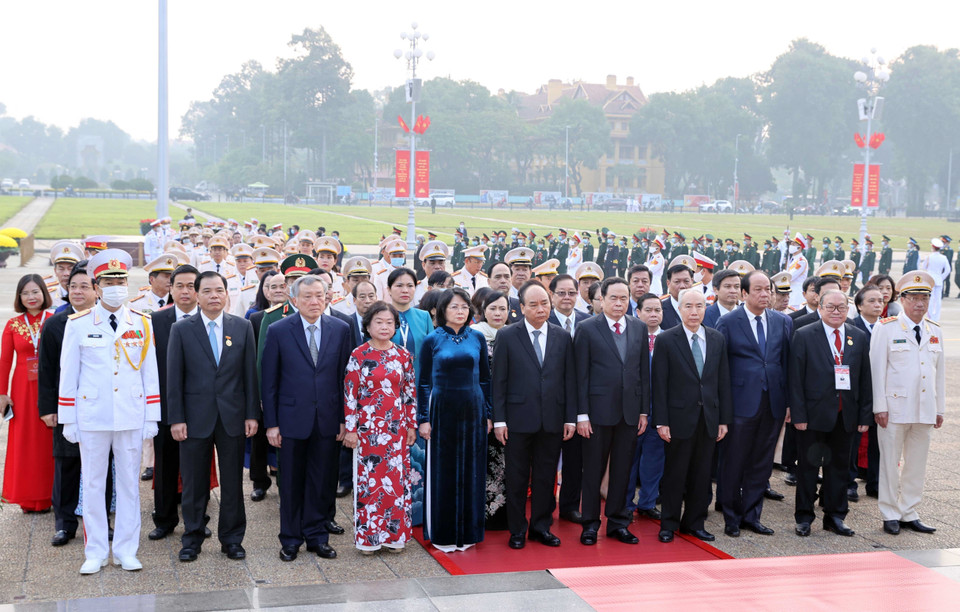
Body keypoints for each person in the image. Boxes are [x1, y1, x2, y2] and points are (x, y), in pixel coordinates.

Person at [58, 249, 160, 574]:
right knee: (92, 484)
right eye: (109, 281)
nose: (116, 286)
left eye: (121, 280)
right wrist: (68, 419)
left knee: (130, 484)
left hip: (130, 414)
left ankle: (127, 550)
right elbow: (68, 373)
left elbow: (150, 373)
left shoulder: (142, 323)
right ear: (97, 286)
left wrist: (153, 417)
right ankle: (96, 551)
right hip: (92, 416)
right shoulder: (78, 324)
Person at [167, 271, 259, 562]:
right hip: (194, 419)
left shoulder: (242, 327)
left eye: (219, 290)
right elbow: (174, 377)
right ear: (196, 295)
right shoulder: (182, 329)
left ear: (226, 294)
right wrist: (176, 418)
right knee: (194, 483)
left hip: (232, 417)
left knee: (233, 482)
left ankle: (232, 539)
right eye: (207, 291)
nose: (214, 296)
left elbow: (249, 376)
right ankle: (192, 538)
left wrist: (251, 415)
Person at [261, 275, 352, 561]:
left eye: (319, 296)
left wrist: (343, 419)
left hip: (327, 419)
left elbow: (344, 378)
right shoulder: (278, 330)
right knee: (289, 483)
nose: (314, 301)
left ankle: (316, 536)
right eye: (307, 297)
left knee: (322, 481)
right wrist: (272, 423)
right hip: (290, 420)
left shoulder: (340, 328)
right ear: (294, 300)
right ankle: (290, 539)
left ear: (327, 297)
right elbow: (269, 381)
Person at [492, 282, 576, 549]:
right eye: (534, 305)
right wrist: (500, 420)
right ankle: (517, 530)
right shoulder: (507, 335)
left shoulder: (562, 336)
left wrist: (569, 418)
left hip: (552, 420)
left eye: (544, 304)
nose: (541, 309)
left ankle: (541, 527)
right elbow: (499, 381)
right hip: (517, 420)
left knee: (545, 477)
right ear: (521, 308)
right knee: (516, 478)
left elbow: (569, 381)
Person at [789, 289, 872, 537]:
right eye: (831, 307)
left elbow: (865, 379)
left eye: (841, 308)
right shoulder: (804, 335)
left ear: (848, 310)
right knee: (808, 468)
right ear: (821, 308)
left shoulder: (857, 336)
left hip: (845, 415)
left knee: (839, 469)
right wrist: (799, 415)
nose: (836, 312)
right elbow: (795, 379)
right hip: (813, 417)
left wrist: (864, 416)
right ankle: (804, 517)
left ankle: (835, 516)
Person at [715, 271, 792, 537]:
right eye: (758, 290)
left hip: (772, 403)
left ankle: (752, 515)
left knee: (761, 463)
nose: (764, 295)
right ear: (745, 293)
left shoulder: (782, 321)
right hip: (740, 404)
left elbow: (786, 364)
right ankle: (731, 517)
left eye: (768, 290)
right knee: (734, 462)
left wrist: (789, 403)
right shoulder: (728, 322)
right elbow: (720, 369)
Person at [575, 277, 650, 546]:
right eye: (613, 298)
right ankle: (590, 524)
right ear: (602, 300)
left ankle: (618, 522)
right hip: (596, 414)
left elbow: (643, 373)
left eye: (623, 298)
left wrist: (643, 411)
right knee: (593, 471)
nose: (619, 303)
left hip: (629, 414)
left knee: (622, 470)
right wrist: (581, 414)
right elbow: (579, 376)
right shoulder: (587, 328)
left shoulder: (639, 328)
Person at [653, 289, 732, 543]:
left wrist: (723, 420)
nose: (694, 311)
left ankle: (694, 523)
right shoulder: (667, 339)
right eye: (688, 306)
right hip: (678, 420)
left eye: (699, 306)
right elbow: (660, 384)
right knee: (675, 474)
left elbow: (723, 382)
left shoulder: (717, 339)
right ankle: (669, 524)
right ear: (679, 308)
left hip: (708, 419)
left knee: (702, 475)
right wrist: (661, 421)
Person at [38, 262, 108, 547]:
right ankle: (65, 524)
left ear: (96, 290)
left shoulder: (105, 320)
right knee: (67, 466)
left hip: (101, 406)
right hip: (67, 407)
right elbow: (46, 370)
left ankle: (101, 524)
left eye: (83, 286)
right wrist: (48, 408)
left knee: (102, 467)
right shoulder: (56, 324)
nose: (77, 291)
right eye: (72, 286)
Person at [417, 288, 492, 552]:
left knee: (472, 470)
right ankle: (444, 532)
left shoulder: (478, 338)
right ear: (440, 311)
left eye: (464, 307)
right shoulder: (432, 340)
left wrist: (488, 413)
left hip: (473, 410)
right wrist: (423, 418)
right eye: (454, 307)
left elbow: (485, 378)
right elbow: (423, 382)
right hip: (442, 410)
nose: (460, 312)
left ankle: (469, 532)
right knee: (443, 471)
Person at [871, 271, 944, 536]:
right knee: (890, 463)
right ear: (902, 300)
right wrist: (879, 406)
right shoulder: (886, 328)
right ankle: (890, 512)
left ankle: (909, 511)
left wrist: (939, 409)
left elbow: (939, 374)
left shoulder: (934, 330)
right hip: (894, 409)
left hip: (924, 409)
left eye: (924, 298)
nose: (919, 304)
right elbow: (877, 370)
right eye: (913, 298)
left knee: (916, 464)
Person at [343, 302, 418, 554]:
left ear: (396, 326)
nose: (384, 327)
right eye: (379, 322)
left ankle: (395, 536)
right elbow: (350, 394)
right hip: (367, 431)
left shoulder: (403, 355)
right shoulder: (359, 355)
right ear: (367, 325)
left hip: (396, 430)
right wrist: (351, 429)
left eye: (389, 322)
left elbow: (409, 393)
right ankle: (369, 538)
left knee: (396, 483)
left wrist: (411, 425)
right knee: (369, 482)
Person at [1, 274, 55, 512]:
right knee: (24, 443)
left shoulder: (54, 320)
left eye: (35, 292)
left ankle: (48, 495)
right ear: (19, 297)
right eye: (26, 293)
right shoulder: (13, 325)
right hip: (22, 390)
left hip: (50, 388)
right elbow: (4, 362)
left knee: (47, 442)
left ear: (44, 293)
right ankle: (25, 496)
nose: (31, 297)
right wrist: (2, 394)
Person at [386, 267, 434, 525]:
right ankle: (391, 511)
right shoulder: (381, 315)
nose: (405, 290)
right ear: (389, 289)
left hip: (417, 397)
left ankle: (417, 514)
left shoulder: (423, 316)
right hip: (387, 399)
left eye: (410, 286)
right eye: (399, 286)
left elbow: (429, 359)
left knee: (418, 455)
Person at [470, 289, 510, 529]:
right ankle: (479, 514)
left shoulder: (515, 333)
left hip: (508, 409)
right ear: (483, 310)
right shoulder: (474, 335)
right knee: (482, 462)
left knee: (504, 464)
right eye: (493, 308)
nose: (498, 313)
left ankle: (503, 514)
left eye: (502, 308)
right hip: (480, 408)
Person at [625, 293, 666, 519]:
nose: (653, 314)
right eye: (648, 310)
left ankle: (648, 502)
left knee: (654, 461)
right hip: (633, 412)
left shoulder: (670, 339)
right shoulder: (630, 338)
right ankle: (626, 504)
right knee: (629, 460)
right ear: (637, 313)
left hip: (659, 413)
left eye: (657, 310)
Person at [848, 284, 885, 501]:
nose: (877, 304)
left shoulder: (889, 327)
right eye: (872, 301)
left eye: (880, 300)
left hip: (880, 392)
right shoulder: (851, 327)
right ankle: (849, 482)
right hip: (856, 393)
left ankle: (876, 482)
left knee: (878, 440)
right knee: (853, 441)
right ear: (860, 305)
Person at [920, 238, 950, 321]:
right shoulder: (943, 257)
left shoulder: (929, 257)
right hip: (939, 280)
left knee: (930, 299)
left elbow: (924, 267)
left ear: (933, 247)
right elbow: (948, 270)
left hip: (930, 280)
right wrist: (941, 278)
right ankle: (936, 318)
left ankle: (931, 317)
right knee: (937, 300)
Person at [660, 264, 693, 329]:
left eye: (686, 281)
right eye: (677, 282)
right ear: (668, 284)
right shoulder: (659, 310)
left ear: (692, 282)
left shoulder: (704, 309)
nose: (682, 286)